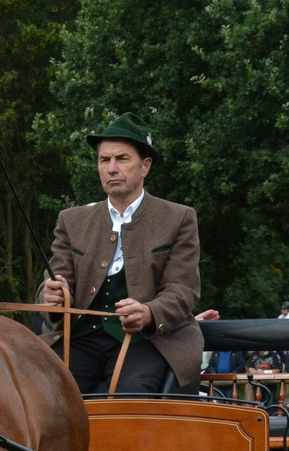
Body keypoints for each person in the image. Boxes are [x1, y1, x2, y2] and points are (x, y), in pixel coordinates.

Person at [38, 114, 203, 393]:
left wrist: (149, 312)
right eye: (104, 160)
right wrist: (52, 295)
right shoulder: (71, 220)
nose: (111, 168)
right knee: (44, 396)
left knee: (131, 398)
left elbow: (182, 290)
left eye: (122, 159)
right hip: (78, 338)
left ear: (145, 166)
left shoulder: (178, 218)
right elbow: (54, 281)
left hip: (147, 341)